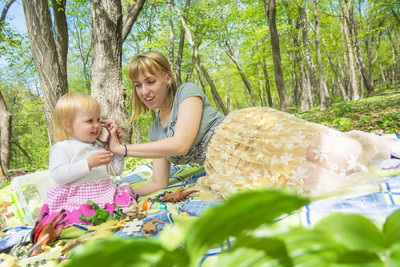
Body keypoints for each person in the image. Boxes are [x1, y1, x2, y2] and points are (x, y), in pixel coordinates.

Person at [106, 50, 400, 200]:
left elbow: (182, 143)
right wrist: (123, 193)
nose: (144, 91)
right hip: (224, 163)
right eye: (137, 85)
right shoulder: (155, 132)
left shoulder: (187, 92)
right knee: (313, 182)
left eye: (150, 81)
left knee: (338, 153)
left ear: (167, 79)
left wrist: (124, 149)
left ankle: (389, 145)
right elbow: (158, 182)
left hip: (245, 131)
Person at [37, 92, 136, 227]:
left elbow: (116, 171)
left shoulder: (99, 147)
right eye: (90, 121)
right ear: (68, 125)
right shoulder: (62, 148)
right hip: (77, 201)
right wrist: (87, 164)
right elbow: (58, 176)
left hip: (103, 195)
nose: (97, 125)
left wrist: (116, 149)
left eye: (98, 119)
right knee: (77, 219)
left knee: (126, 204)